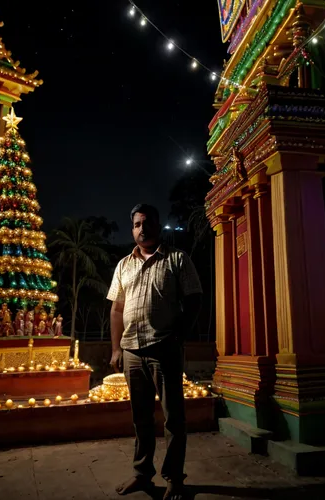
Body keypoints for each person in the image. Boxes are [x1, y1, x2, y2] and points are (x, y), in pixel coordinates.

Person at [107, 203, 202, 500]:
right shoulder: (124, 264)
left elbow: (195, 299)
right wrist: (115, 349)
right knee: (141, 418)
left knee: (173, 419)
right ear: (132, 228)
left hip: (165, 349)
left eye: (146, 222)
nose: (141, 228)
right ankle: (142, 473)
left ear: (158, 225)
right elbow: (116, 308)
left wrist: (179, 337)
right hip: (131, 352)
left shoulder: (176, 259)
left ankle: (174, 478)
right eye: (136, 224)